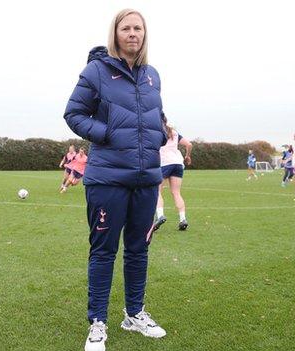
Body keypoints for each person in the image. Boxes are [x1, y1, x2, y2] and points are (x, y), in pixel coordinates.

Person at [63, 9, 167, 351]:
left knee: (138, 250)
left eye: (138, 28)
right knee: (104, 251)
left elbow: (154, 115)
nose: (133, 33)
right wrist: (106, 133)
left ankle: (134, 314)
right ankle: (97, 323)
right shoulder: (97, 71)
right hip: (107, 178)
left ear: (144, 34)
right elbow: (74, 113)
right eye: (127, 28)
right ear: (116, 33)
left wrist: (162, 133)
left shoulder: (152, 76)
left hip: (146, 178)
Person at [153, 114, 192, 232]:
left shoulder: (157, 132)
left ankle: (160, 216)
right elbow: (189, 144)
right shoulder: (175, 132)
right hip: (178, 164)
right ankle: (183, 219)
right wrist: (187, 156)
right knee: (176, 192)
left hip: (164, 163)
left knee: (157, 191)